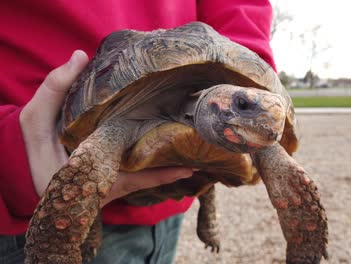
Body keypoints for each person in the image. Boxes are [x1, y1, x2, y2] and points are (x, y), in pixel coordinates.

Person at [0, 0, 276, 263]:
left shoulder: (233, 109)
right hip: (36, 192)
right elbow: (88, 167)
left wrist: (252, 69)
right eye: (242, 104)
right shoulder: (121, 122)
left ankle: (207, 211)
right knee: (85, 181)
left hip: (168, 218)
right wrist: (9, 156)